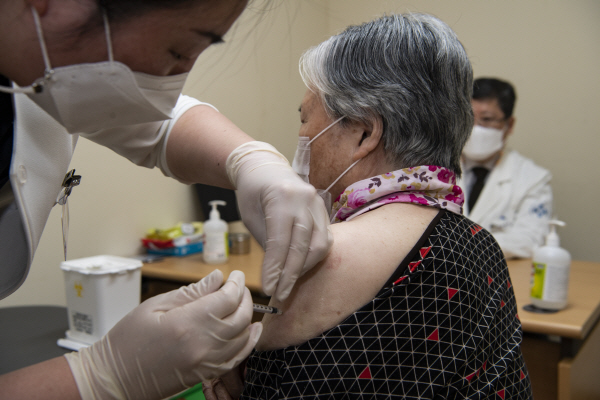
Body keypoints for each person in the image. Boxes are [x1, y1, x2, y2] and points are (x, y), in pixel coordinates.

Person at [0, 0, 333, 399]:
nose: (175, 82)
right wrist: (101, 376)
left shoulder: (47, 70)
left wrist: (251, 160)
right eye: (178, 51)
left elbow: (157, 123)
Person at [205, 13, 532, 400]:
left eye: (306, 118)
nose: (303, 135)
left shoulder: (326, 258)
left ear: (364, 132)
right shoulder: (480, 241)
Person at [459, 78, 552, 259]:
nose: (475, 128)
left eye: (487, 119)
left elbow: (530, 240)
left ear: (509, 125)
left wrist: (462, 245)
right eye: (468, 118)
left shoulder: (533, 179)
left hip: (496, 271)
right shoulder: (432, 169)